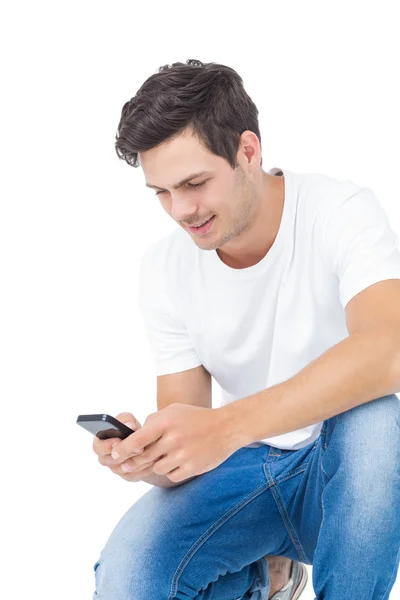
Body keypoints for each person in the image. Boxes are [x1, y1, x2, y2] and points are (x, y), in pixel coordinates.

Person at [92, 59, 400, 599]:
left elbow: (390, 348)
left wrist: (228, 427)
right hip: (249, 476)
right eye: (161, 192)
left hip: (347, 480)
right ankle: (267, 576)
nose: (180, 210)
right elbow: (190, 444)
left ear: (248, 152)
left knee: (379, 419)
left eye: (194, 183)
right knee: (127, 577)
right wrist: (148, 457)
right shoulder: (165, 269)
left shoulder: (340, 211)